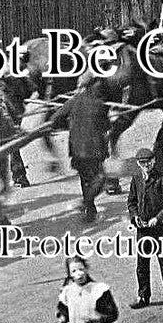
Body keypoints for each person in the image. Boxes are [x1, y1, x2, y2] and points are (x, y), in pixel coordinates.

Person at [127, 148, 163, 314]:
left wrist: (158, 218)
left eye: (149, 161)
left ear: (154, 161)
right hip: (143, 230)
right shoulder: (136, 180)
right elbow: (132, 202)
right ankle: (143, 296)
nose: (146, 165)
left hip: (160, 229)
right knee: (142, 265)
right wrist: (135, 217)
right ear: (138, 164)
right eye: (142, 163)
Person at [55, 82, 112, 223]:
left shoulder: (73, 101)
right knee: (100, 178)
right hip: (94, 150)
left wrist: (69, 124)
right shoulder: (100, 104)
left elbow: (56, 118)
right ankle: (87, 201)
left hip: (76, 149)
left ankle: (90, 209)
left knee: (85, 179)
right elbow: (106, 125)